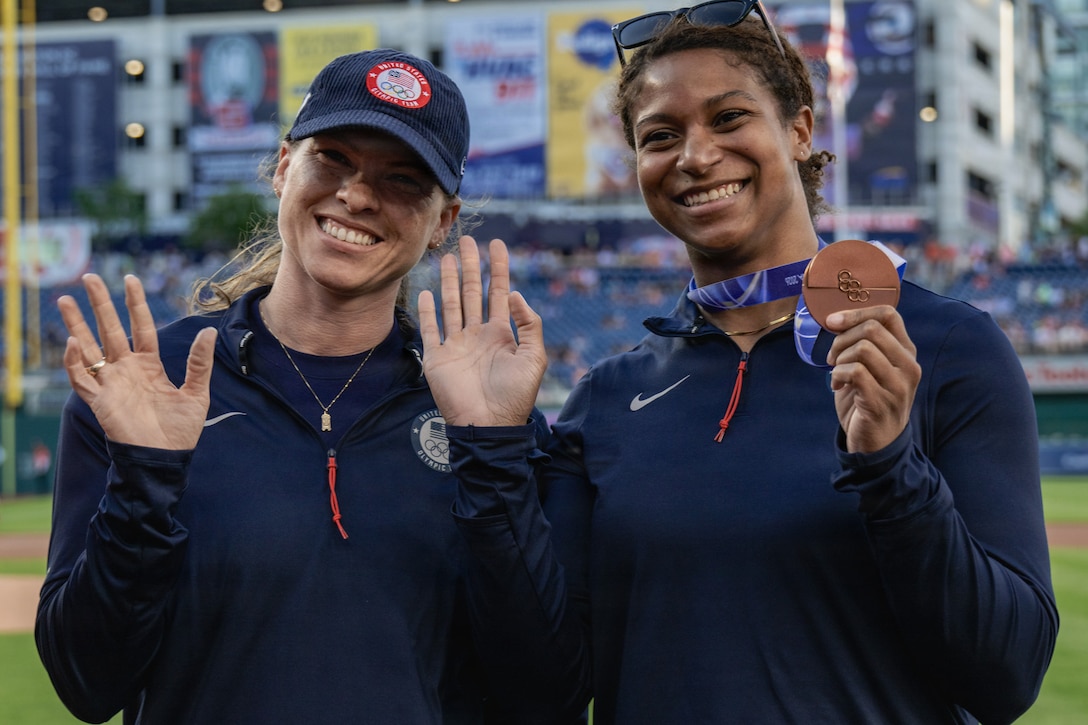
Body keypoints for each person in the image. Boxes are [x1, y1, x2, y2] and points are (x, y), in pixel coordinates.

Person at [420, 5, 1058, 724]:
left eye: (728, 118)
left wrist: (890, 466)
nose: (694, 155)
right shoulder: (608, 397)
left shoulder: (942, 348)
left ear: (799, 130)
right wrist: (493, 449)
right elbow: (545, 692)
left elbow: (1008, 674)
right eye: (660, 136)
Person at [36, 48, 544, 724]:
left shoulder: (485, 411)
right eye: (332, 157)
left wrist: (493, 456)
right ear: (283, 167)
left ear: (442, 223)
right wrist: (143, 480)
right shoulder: (150, 379)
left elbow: (548, 694)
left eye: (402, 178)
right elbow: (87, 685)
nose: (358, 195)